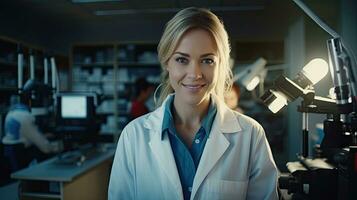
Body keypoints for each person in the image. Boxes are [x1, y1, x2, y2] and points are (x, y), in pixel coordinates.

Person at [109, 7, 278, 200]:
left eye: (207, 60)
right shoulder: (133, 136)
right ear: (167, 62)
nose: (195, 74)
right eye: (182, 59)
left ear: (221, 64)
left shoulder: (250, 135)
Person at [2, 80, 61, 172]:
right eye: (46, 99)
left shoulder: (14, 112)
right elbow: (45, 148)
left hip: (13, 150)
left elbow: (24, 134)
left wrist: (42, 136)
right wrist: (61, 146)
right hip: (20, 156)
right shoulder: (25, 117)